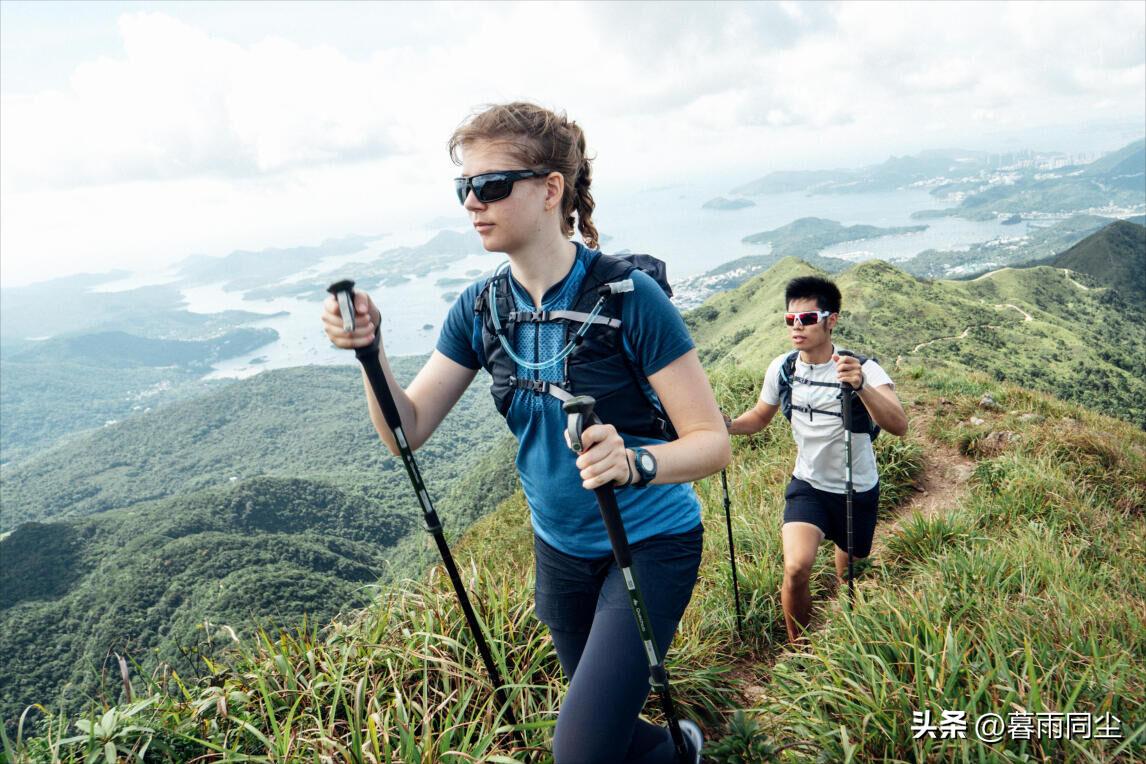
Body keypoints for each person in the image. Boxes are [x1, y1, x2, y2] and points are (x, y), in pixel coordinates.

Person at [322, 102, 729, 763]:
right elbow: (408, 432)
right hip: (559, 554)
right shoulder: (481, 308)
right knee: (606, 732)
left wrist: (634, 464)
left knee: (578, 752)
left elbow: (712, 442)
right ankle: (681, 748)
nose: (472, 203)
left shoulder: (629, 298)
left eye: (490, 185)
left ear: (549, 190)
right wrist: (371, 353)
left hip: (650, 541)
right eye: (465, 188)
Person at [726, 276, 907, 643]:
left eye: (807, 319)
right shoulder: (783, 368)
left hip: (857, 488)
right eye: (790, 319)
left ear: (831, 320)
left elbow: (898, 424)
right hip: (807, 484)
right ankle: (800, 652)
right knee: (795, 568)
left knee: (849, 578)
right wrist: (724, 425)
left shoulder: (863, 368)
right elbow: (760, 417)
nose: (797, 327)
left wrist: (860, 386)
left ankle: (847, 635)